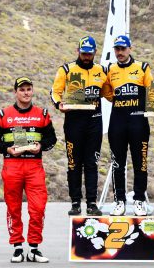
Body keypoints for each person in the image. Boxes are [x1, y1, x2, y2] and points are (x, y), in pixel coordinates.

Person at [0, 77, 57, 263]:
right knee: (13, 208)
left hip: (34, 166)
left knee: (38, 208)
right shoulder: (3, 114)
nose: (26, 92)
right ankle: (17, 247)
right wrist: (6, 149)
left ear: (32, 91)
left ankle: (34, 248)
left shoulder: (42, 114)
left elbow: (52, 140)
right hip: (12, 165)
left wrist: (41, 146)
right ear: (15, 92)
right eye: (22, 89)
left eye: (29, 89)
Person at [50, 35, 107, 216]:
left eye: (89, 54)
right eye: (83, 53)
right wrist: (59, 104)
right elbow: (55, 92)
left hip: (94, 122)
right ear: (78, 51)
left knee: (92, 163)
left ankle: (91, 203)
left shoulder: (102, 70)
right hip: (74, 122)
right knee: (74, 164)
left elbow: (110, 93)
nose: (86, 56)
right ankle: (75, 203)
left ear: (95, 53)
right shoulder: (66, 69)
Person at [104, 34, 153, 216]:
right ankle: (119, 201)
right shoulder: (110, 69)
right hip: (117, 122)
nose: (120, 52)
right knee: (118, 163)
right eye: (117, 49)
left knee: (140, 162)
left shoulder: (142, 67)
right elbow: (107, 93)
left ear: (130, 48)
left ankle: (139, 200)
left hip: (138, 121)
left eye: (123, 49)